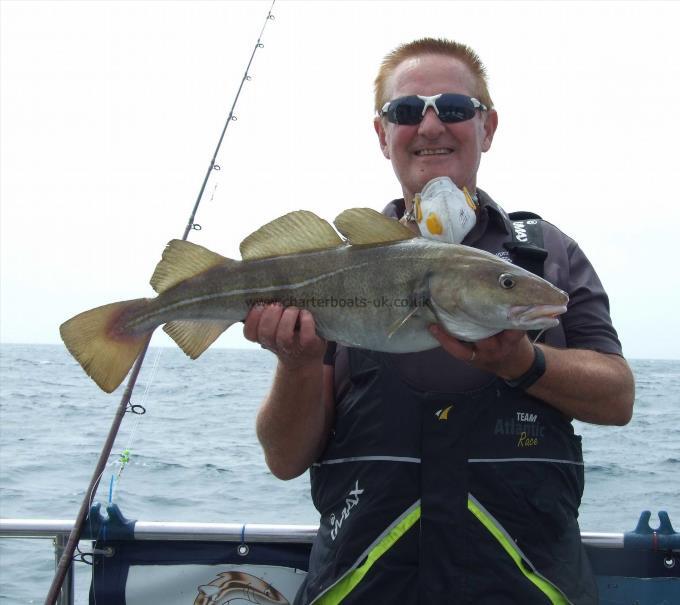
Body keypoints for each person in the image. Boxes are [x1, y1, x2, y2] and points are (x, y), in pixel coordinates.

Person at [244, 38, 635, 605]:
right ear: (383, 135)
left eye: (453, 108)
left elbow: (618, 400)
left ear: (488, 128)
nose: (430, 125)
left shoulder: (547, 256)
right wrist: (298, 362)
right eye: (405, 111)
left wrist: (525, 362)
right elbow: (284, 458)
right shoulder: (338, 267)